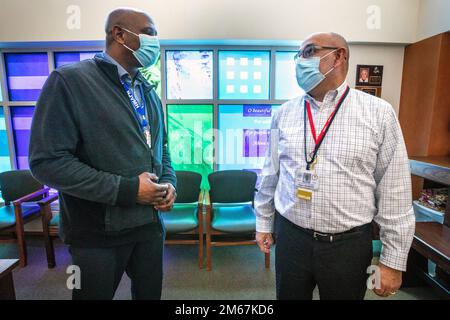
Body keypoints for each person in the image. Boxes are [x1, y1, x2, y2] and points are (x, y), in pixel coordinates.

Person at [28, 7, 177, 300]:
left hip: (149, 228)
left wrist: (170, 183)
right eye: (149, 33)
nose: (155, 42)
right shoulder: (70, 81)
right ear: (119, 34)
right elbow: (47, 162)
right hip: (96, 235)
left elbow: (162, 150)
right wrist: (129, 190)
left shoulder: (147, 91)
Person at [255, 32, 415, 300]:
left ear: (338, 56)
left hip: (348, 246)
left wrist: (392, 261)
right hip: (291, 238)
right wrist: (263, 221)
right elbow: (270, 173)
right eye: (297, 56)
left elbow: (395, 192)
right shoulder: (284, 113)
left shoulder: (379, 113)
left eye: (307, 52)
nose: (299, 62)